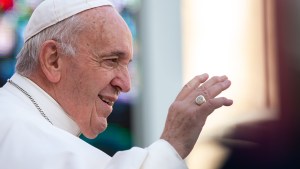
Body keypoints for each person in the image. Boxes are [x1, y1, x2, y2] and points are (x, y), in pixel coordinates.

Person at [0, 0, 233, 168]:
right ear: (53, 60)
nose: (126, 84)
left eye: (128, 65)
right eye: (111, 60)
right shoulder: (28, 139)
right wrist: (173, 143)